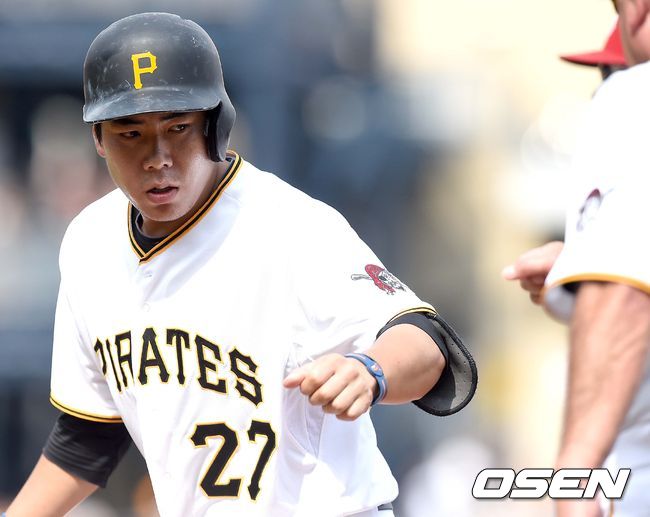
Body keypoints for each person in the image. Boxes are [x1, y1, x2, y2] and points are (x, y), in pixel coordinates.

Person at [4, 12, 477, 517]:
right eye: (131, 132)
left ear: (216, 126)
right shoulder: (89, 242)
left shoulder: (288, 225)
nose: (157, 157)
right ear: (98, 138)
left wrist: (372, 370)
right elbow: (87, 438)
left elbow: (429, 344)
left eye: (178, 127)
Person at [504, 1, 650, 515]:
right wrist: (578, 263)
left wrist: (576, 475)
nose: (605, 86)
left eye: (608, 73)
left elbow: (623, 289)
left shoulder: (634, 96)